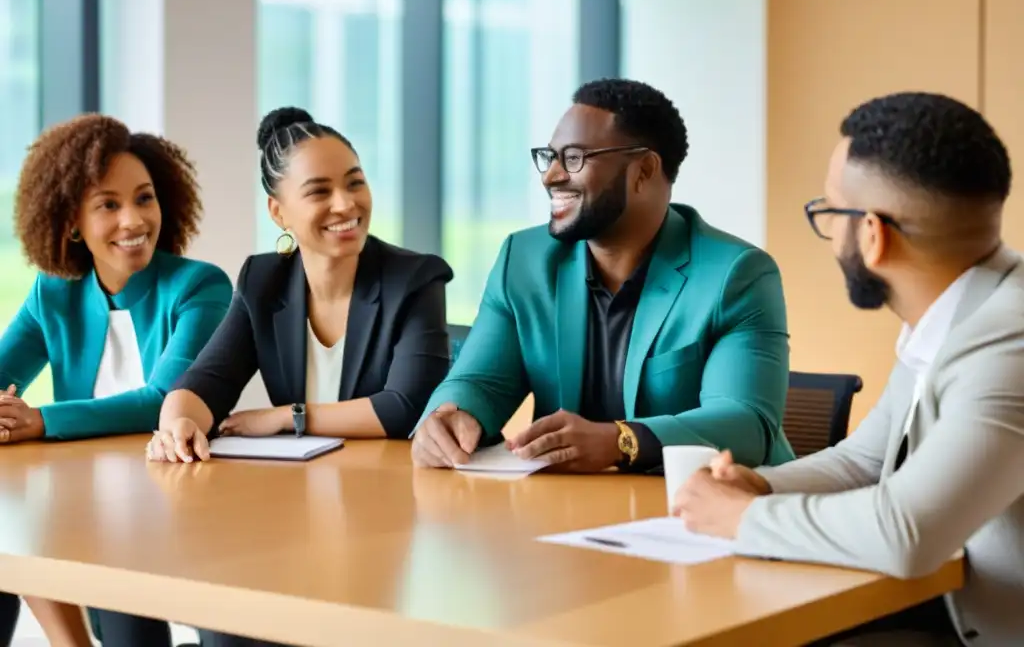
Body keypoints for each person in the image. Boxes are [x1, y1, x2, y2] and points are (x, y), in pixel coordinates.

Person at [672, 91, 1024, 646]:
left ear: (872, 234)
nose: (829, 235)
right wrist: (760, 485)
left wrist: (741, 519)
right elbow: (867, 459)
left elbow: (908, 534)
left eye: (829, 213)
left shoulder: (1009, 345)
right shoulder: (963, 312)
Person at [145, 107, 453, 646]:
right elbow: (202, 383)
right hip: (290, 521)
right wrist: (178, 425)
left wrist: (287, 419)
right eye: (319, 191)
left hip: (391, 522)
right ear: (279, 212)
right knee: (226, 616)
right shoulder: (263, 280)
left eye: (355, 182)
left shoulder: (415, 277)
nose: (346, 204)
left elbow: (405, 405)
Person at [412, 78, 793, 474]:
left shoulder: (737, 275)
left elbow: (746, 423)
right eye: (550, 157)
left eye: (574, 157)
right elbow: (480, 381)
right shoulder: (523, 260)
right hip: (567, 509)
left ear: (643, 170)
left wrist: (620, 441)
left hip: (705, 506)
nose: (551, 176)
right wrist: (454, 416)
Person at [0, 113, 232, 647]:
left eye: (144, 198)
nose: (133, 219)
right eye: (109, 204)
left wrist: (38, 421)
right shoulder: (54, 292)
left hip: (189, 504)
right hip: (95, 511)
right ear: (72, 221)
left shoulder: (200, 287)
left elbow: (163, 402)